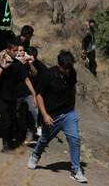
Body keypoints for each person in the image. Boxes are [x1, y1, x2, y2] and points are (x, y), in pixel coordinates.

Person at [27, 50, 87, 183]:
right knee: (44, 139)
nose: (67, 71)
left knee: (75, 139)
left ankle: (76, 170)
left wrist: (73, 105)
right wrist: (45, 115)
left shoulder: (72, 73)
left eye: (69, 68)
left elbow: (72, 88)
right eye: (64, 68)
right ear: (58, 64)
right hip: (51, 115)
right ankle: (36, 155)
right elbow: (39, 96)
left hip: (68, 113)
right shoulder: (48, 75)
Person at [0, 39, 37, 153]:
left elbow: (26, 79)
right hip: (0, 97)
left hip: (13, 97)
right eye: (14, 50)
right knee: (6, 121)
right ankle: (5, 144)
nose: (16, 52)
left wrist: (34, 95)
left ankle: (10, 142)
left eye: (17, 50)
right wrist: (3, 67)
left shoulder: (18, 64)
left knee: (12, 121)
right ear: (8, 50)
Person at [15, 45, 38, 146]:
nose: (22, 53)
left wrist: (30, 64)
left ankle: (30, 136)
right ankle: (20, 135)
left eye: (23, 51)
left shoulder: (26, 62)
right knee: (19, 116)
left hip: (28, 93)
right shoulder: (13, 62)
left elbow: (34, 74)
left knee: (34, 111)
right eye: (20, 51)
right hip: (16, 94)